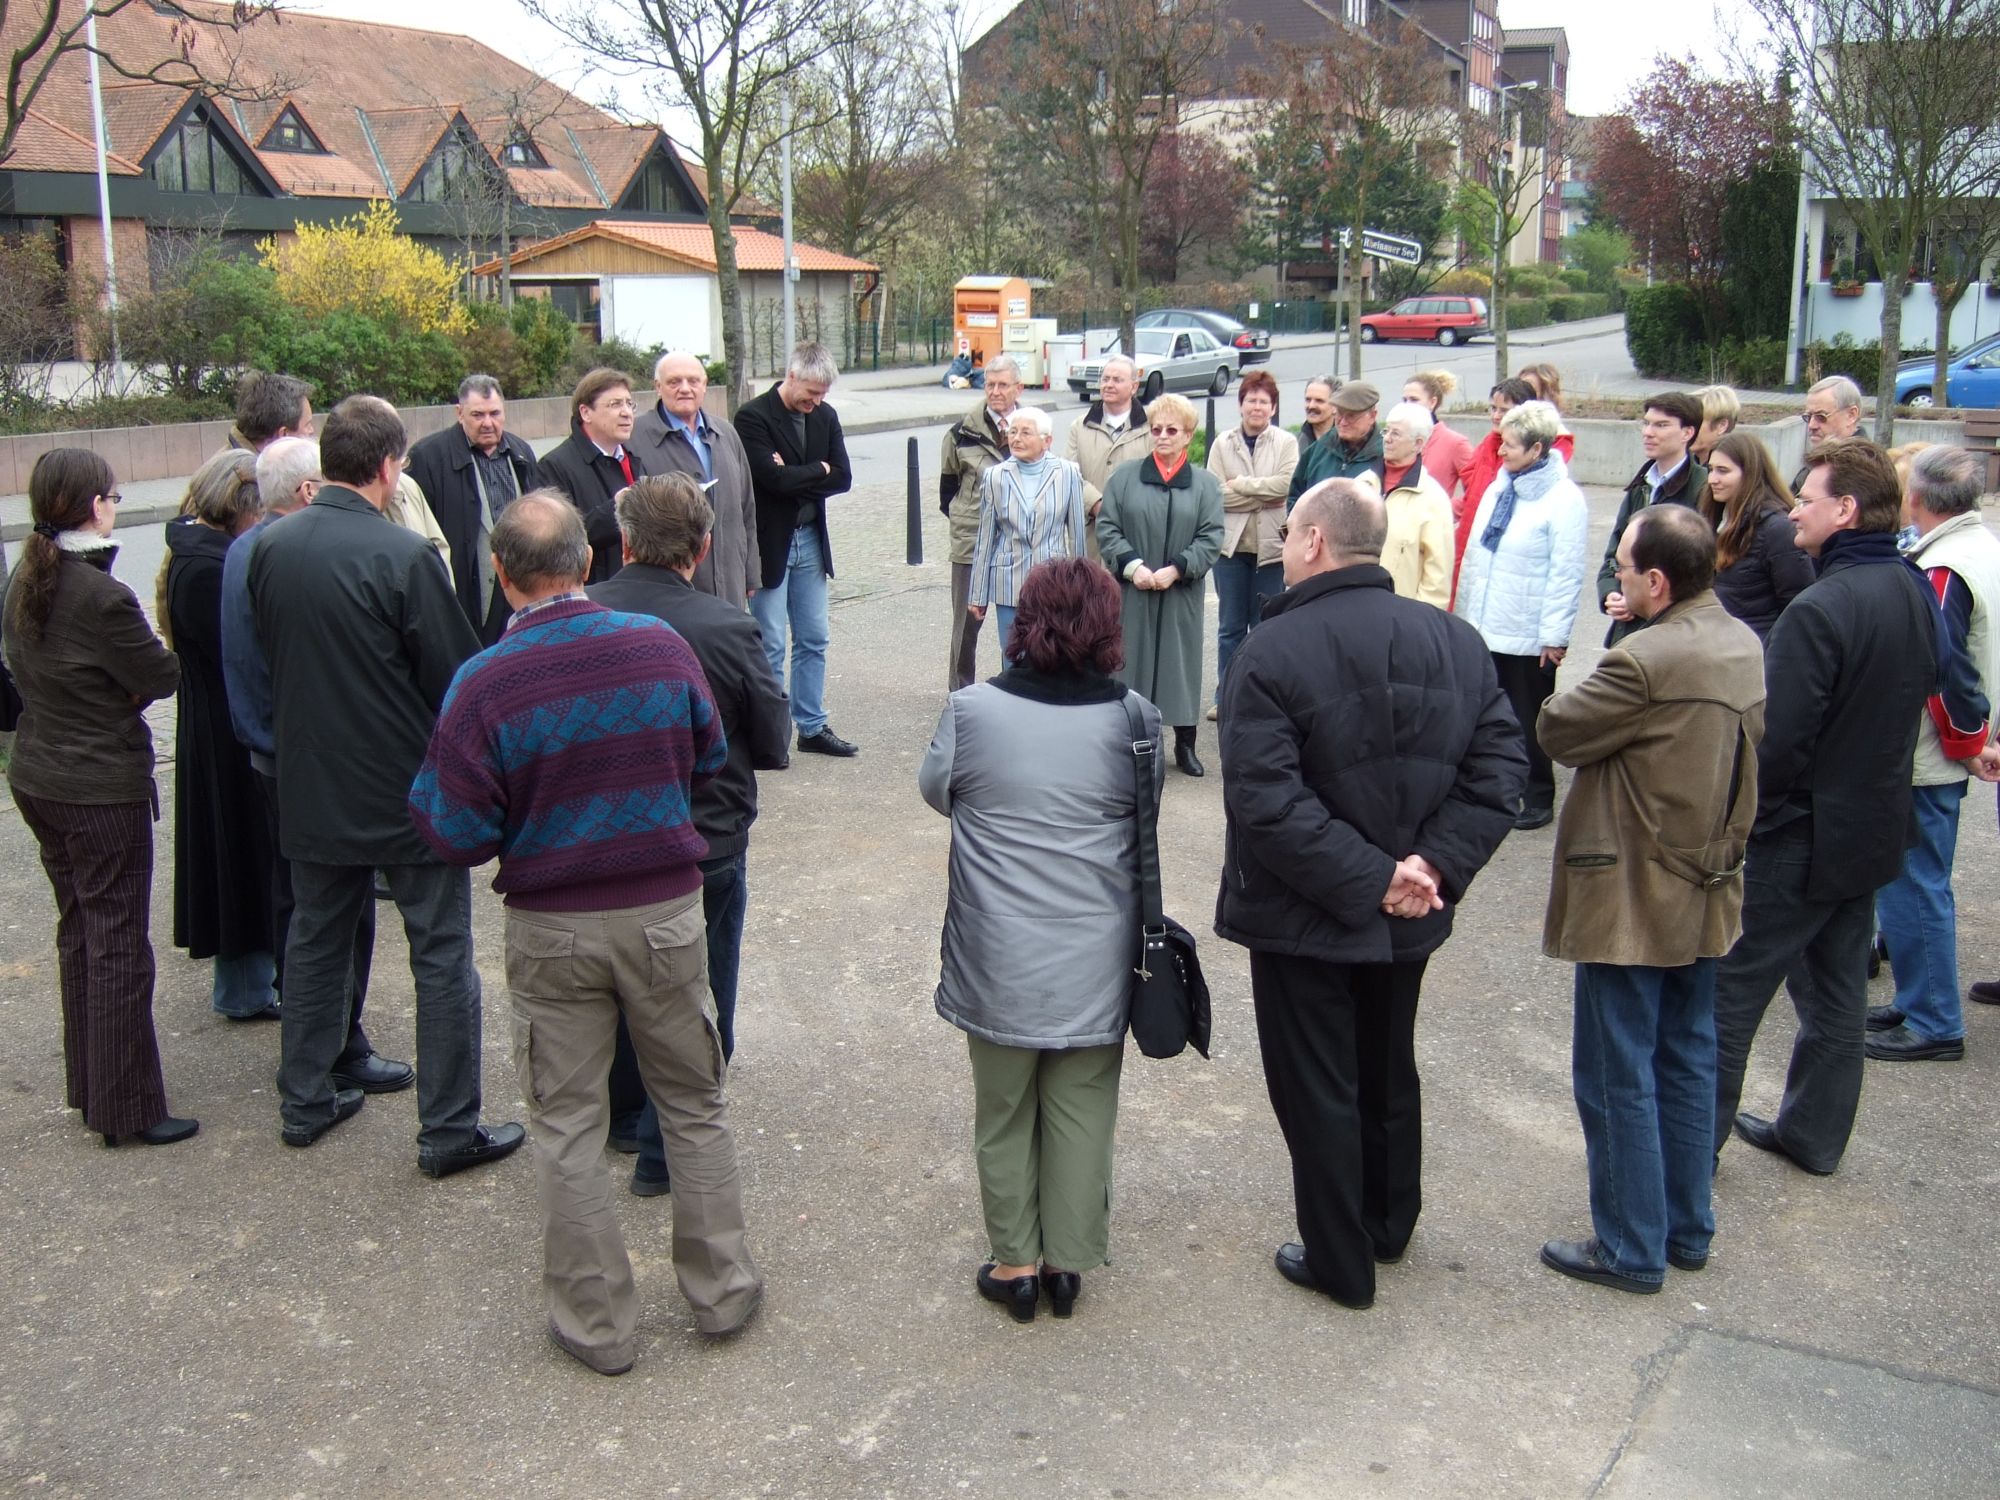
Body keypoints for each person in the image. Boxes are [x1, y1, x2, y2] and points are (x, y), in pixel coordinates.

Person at [411, 492, 762, 1371]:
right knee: (694, 1101)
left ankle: (598, 1327)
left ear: (500, 573)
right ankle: (722, 1293)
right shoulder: (659, 645)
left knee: (567, 1124)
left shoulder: (483, 681)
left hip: (552, 925)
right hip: (667, 913)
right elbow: (708, 753)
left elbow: (451, 832)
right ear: (589, 560)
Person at [1217, 479, 1525, 1311]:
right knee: (1386, 1066)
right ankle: (1387, 1223)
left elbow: (1266, 801)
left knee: (1322, 1081)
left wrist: (1394, 876)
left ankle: (1342, 1259)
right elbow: (1501, 774)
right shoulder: (1455, 641)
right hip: (1403, 906)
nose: (1282, 545)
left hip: (1312, 911)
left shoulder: (1269, 651)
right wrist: (1424, 870)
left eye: (1289, 533)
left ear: (1314, 542)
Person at [249, 395, 523, 1173]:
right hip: (406, 790)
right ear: (386, 467)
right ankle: (447, 1128)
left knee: (316, 939)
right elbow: (456, 677)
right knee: (439, 952)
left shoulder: (273, 546)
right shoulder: (403, 557)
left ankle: (303, 1099)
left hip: (311, 781)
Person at [1712, 439, 1974, 1177]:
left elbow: (1780, 743)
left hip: (1802, 837)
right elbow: (1941, 677)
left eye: (1809, 497)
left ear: (1847, 510)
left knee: (1731, 993)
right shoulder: (1914, 587)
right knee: (1833, 995)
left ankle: (1692, 1149)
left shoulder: (1820, 608)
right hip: (1872, 828)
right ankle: (1813, 1135)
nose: (1796, 507)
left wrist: (1744, 830)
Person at [920, 557, 1160, 1323]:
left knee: (1002, 1107)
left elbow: (937, 792)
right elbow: (1142, 813)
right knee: (1084, 1104)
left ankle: (1015, 1261)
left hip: (997, 948)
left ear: (1025, 622)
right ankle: (1068, 1260)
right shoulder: (1136, 719)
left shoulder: (972, 711)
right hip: (1096, 949)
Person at [1536, 505, 1766, 1295]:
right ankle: (1685, 1226)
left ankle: (1632, 1244)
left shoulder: (1642, 660)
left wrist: (1613, 647)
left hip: (1632, 892)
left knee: (1615, 1071)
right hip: (1705, 887)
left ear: (1657, 581)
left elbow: (1560, 730)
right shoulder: (1741, 642)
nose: (1619, 579)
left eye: (1627, 568)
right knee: (1687, 1056)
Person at [590, 472, 793, 1197]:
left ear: (623, 541)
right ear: (703, 545)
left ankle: (624, 1116)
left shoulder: (577, 614)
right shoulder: (724, 626)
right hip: (701, 837)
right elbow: (773, 736)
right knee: (699, 986)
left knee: (618, 980)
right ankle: (663, 1147)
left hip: (601, 838)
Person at [2, 450, 191, 1146]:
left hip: (39, 772)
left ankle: (91, 1086)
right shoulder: (102, 596)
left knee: (80, 930)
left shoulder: (28, 573)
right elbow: (162, 672)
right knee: (117, 944)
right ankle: (127, 1107)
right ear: (94, 506)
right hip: (95, 786)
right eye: (112, 496)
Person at [223, 440, 400, 1079]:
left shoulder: (254, 548)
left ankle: (321, 1056)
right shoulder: (280, 552)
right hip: (305, 756)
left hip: (276, 750)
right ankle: (333, 1052)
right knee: (329, 915)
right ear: (306, 491)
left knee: (306, 907)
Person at [1868, 446, 2000, 1063]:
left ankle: (1933, 1019)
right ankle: (1918, 999)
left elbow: (1945, 670)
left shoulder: (1943, 565)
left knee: (1915, 883)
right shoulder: (1982, 548)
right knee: (1918, 880)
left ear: (1914, 499)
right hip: (1949, 745)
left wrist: (1967, 744)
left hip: (1927, 750)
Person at [161, 451, 278, 1021]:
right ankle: (247, 988)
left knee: (239, 855)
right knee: (240, 856)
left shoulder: (195, 554)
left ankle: (250, 983)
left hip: (215, 722)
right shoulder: (209, 568)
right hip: (225, 733)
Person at [1452, 401, 1591, 831]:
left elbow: (1565, 572)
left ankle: (1537, 793)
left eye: (1509, 445)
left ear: (1537, 448)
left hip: (1530, 632)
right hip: (1488, 624)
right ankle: (1496, 785)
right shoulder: (1500, 486)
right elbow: (1477, 558)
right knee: (1488, 714)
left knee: (1528, 716)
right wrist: (1465, 619)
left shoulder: (1564, 499)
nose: (1501, 451)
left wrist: (1554, 635)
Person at [735, 342, 858, 757]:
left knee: (814, 638)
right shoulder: (753, 417)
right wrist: (814, 470)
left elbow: (842, 477)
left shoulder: (825, 416)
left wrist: (797, 472)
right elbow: (771, 481)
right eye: (810, 392)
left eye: (822, 393)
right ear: (790, 377)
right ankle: (771, 734)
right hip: (771, 543)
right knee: (770, 641)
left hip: (809, 539)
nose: (815, 401)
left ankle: (811, 726)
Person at [1097, 392, 1224, 777]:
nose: (1163, 436)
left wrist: (1178, 568)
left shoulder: (1205, 485)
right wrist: (1132, 566)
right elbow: (1108, 528)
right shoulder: (1124, 478)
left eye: (1172, 430)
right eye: (1157, 429)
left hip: (1180, 592)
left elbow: (1211, 536)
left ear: (1188, 435)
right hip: (1134, 589)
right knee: (1129, 664)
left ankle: (1185, 745)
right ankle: (1127, 744)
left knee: (1180, 668)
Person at [404, 373, 545, 642]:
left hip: (518, 584)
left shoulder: (521, 453)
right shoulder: (427, 457)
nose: (488, 423)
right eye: (478, 415)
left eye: (495, 413)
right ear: (459, 413)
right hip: (464, 592)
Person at [628, 351, 761, 609]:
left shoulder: (726, 433)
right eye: (674, 382)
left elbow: (747, 509)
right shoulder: (636, 438)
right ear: (658, 387)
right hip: (670, 591)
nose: (685, 389)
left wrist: (750, 571)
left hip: (729, 582)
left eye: (693, 381)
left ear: (705, 384)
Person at [1205, 368, 1299, 719]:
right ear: (1240, 404)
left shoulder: (1286, 443)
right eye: (1250, 400)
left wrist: (1241, 484)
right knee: (1230, 628)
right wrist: (1262, 494)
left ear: (1273, 407)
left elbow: (1285, 488)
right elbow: (1214, 495)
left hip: (1271, 551)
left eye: (1263, 401)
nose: (1256, 407)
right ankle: (1225, 696)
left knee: (1264, 628)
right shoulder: (1221, 443)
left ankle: (1263, 698)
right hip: (1230, 550)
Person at [968, 406, 1087, 650]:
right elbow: (985, 539)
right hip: (1009, 582)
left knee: (1051, 655)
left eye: (1025, 432)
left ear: (1047, 441)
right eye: (1012, 432)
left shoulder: (1068, 473)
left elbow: (1077, 537)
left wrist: (1080, 590)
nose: (1017, 438)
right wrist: (977, 595)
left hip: (1053, 583)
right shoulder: (995, 477)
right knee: (1013, 657)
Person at [1599, 393, 1708, 647]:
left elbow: (1698, 571)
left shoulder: (1702, 488)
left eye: (1661, 425)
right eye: (1646, 423)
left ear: (1687, 432)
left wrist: (1639, 599)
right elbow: (1613, 555)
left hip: (1670, 633)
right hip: (1628, 633)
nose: (1648, 432)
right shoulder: (1641, 486)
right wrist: (1612, 595)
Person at [942, 353, 1022, 687]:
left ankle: (1017, 687)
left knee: (1019, 622)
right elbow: (947, 492)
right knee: (966, 624)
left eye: (1003, 385)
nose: (996, 391)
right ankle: (960, 692)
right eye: (990, 384)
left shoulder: (1031, 427)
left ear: (1018, 388)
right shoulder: (962, 433)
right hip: (971, 540)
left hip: (1017, 543)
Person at [1697, 432, 1815, 641]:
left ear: (1749, 474)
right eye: (1711, 469)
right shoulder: (1713, 519)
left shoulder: (1778, 529)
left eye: (1723, 471)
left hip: (1757, 654)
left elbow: (1796, 606)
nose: (1712, 479)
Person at [538, 367, 645, 585]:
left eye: (629, 403)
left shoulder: (633, 459)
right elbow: (553, 543)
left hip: (637, 589)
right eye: (615, 404)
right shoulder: (554, 465)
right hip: (592, 595)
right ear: (586, 412)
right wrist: (616, 509)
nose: (626, 412)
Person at [1451, 378, 1539, 605]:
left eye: (1504, 410)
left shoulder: (1525, 457)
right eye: (1493, 408)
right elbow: (1471, 493)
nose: (1496, 416)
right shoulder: (1486, 445)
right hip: (1469, 539)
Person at [1063, 355, 1152, 563]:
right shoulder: (1079, 426)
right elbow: (1068, 474)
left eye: (1117, 380)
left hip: (1135, 533)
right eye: (1105, 379)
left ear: (1133, 386)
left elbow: (1156, 477)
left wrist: (1124, 510)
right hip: (1090, 536)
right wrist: (1096, 503)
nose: (1108, 385)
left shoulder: (1151, 427)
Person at [1377, 400, 1454, 608]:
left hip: (1402, 616)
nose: (1387, 439)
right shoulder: (1363, 484)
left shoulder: (1433, 499)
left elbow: (1437, 578)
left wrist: (1419, 623)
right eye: (1386, 431)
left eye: (1396, 434)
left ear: (1419, 443)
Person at [1288, 380, 1383, 504]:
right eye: (1339, 414)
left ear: (1372, 416)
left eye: (1351, 416)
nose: (1343, 422)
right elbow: (1295, 498)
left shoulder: (1385, 456)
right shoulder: (1318, 450)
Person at [1402, 371, 1474, 503]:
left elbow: (1476, 491)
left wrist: (1445, 511)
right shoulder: (1396, 438)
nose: (1407, 405)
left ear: (1432, 402)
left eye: (1414, 400)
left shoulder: (1455, 443)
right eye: (1404, 400)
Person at [1795, 376, 1864, 492]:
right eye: (1808, 417)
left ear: (1851, 415)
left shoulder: (1861, 472)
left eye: (1821, 417)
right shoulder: (1822, 461)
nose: (1811, 425)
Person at [231, 371, 314, 450]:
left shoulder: (231, 457)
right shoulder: (251, 464)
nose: (312, 430)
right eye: (307, 424)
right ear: (284, 436)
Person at [1691, 384, 1741, 465]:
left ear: (1721, 426)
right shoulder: (1685, 467)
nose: (1687, 430)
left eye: (1696, 422)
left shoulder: (1735, 469)